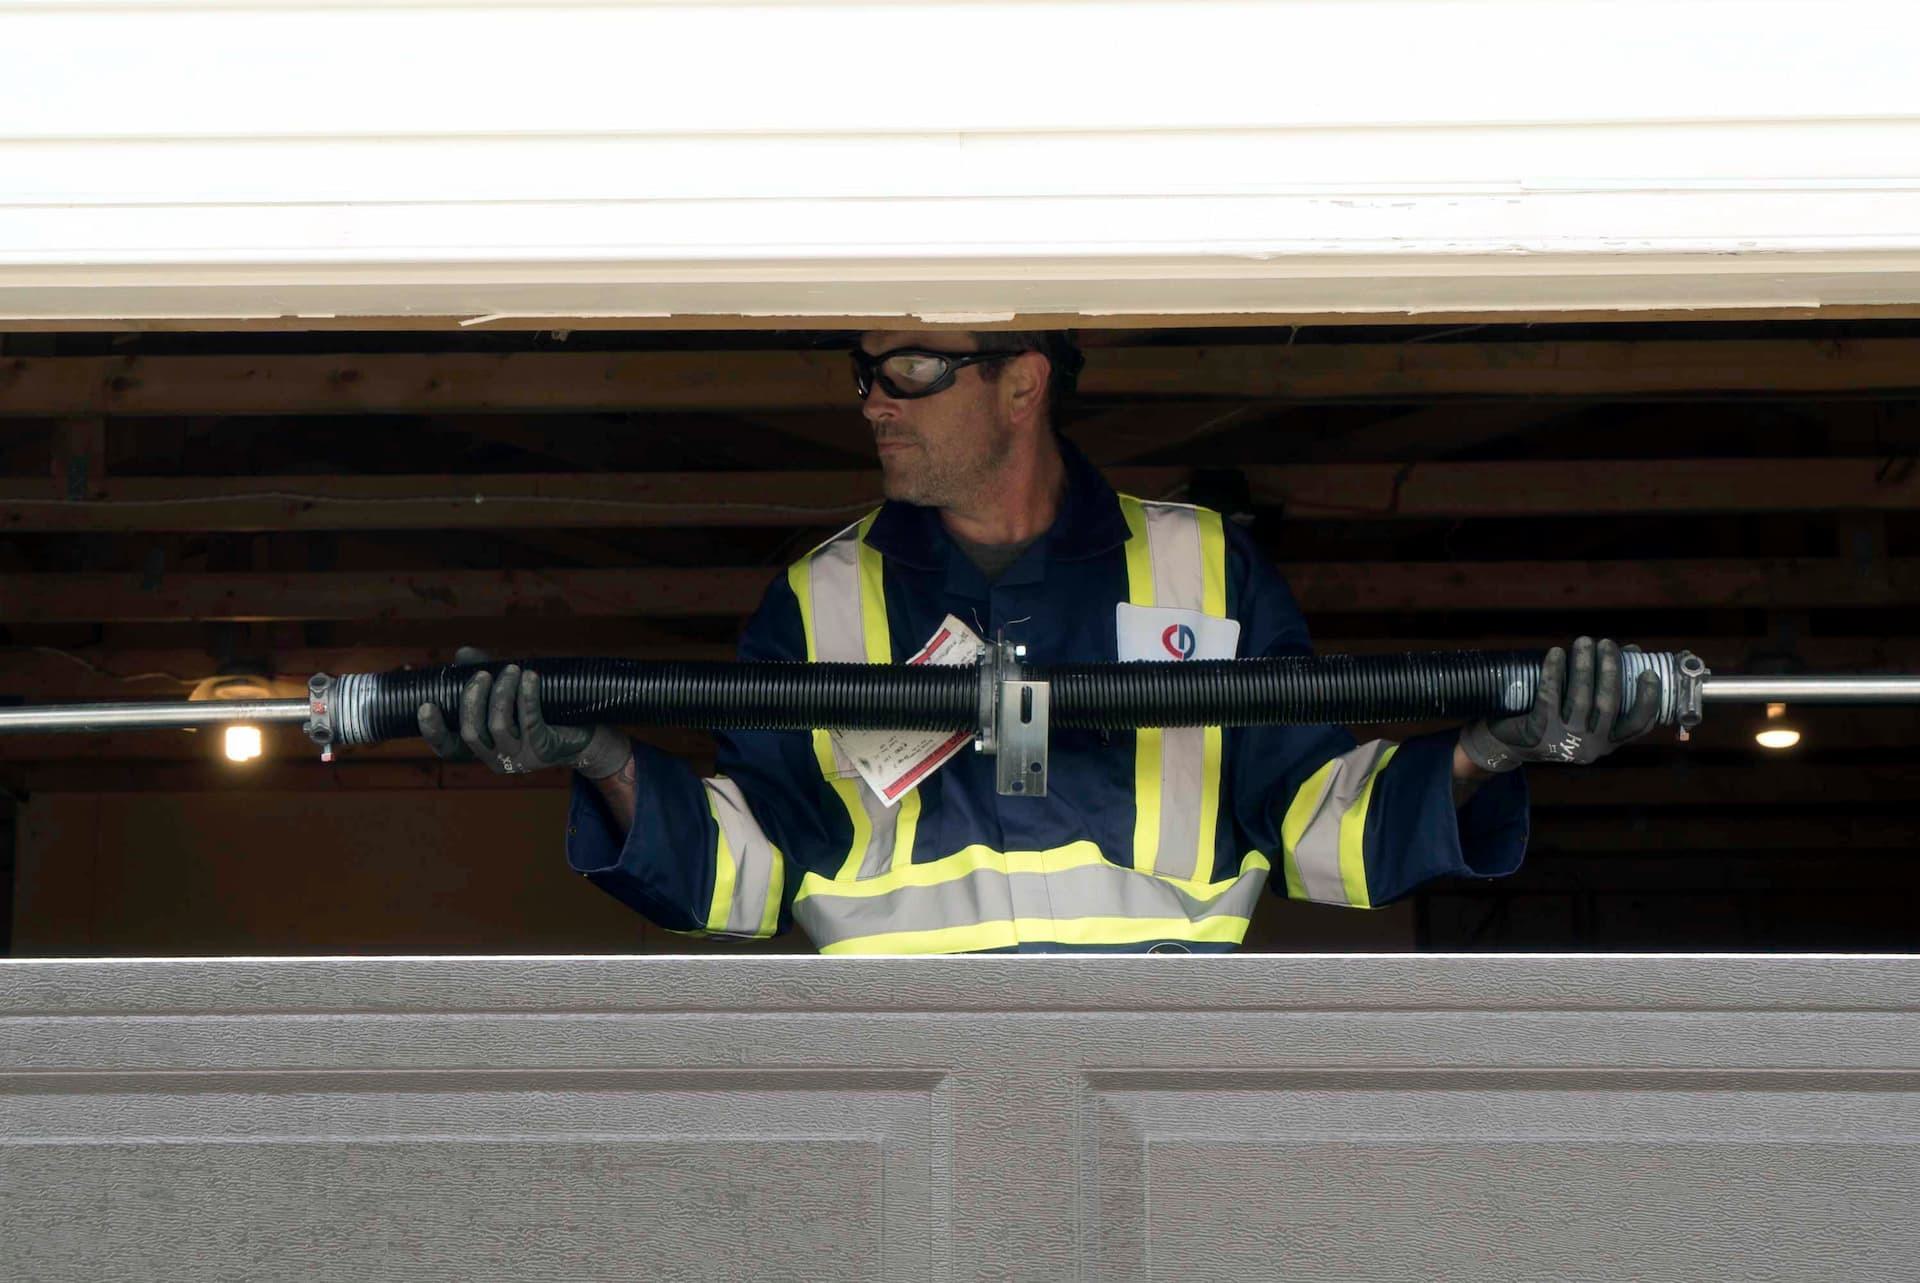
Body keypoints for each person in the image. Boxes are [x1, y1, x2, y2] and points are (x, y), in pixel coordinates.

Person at [418, 330, 1657, 953]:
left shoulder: (1203, 568)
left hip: (1155, 1092)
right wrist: (601, 760)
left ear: (1023, 384)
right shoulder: (819, 597)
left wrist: (1500, 745)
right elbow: (748, 868)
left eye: (908, 367)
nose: (871, 400)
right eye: (861, 371)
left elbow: (1319, 822)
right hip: (905, 1093)